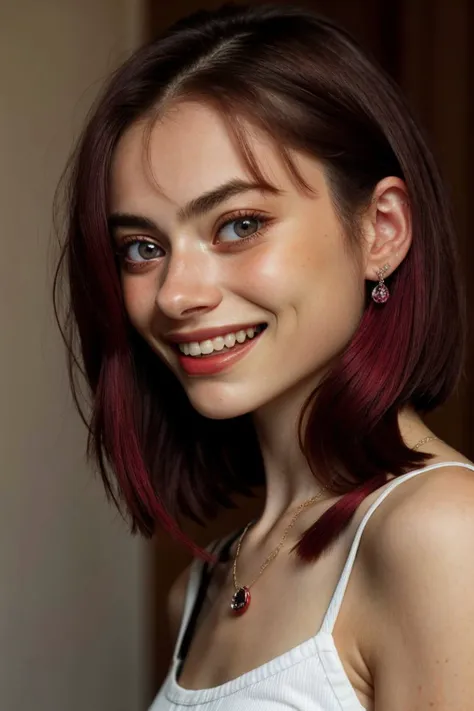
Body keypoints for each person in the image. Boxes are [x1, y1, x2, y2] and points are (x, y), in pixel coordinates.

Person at [54, 3, 474, 709]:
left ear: (382, 230)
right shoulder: (199, 589)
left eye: (238, 224)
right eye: (142, 247)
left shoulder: (442, 535)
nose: (176, 294)